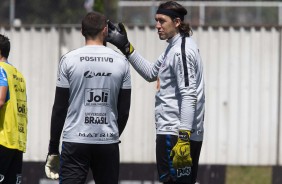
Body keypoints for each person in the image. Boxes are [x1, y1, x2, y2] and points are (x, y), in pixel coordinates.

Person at [107, 1, 205, 183]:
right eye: (156, 20)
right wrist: (126, 47)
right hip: (177, 132)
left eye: (162, 20)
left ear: (176, 22)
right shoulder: (175, 46)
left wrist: (183, 138)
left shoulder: (180, 51)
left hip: (175, 134)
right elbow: (151, 73)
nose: (157, 26)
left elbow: (190, 94)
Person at [44, 12, 131, 184]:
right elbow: (124, 110)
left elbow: (59, 108)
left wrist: (53, 148)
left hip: (75, 140)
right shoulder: (122, 61)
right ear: (105, 30)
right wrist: (112, 135)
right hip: (107, 141)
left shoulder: (68, 60)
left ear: (82, 30)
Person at [0, 34, 28, 184]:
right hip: (17, 142)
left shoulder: (0, 69)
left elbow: (0, 99)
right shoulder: (18, 75)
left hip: (3, 139)